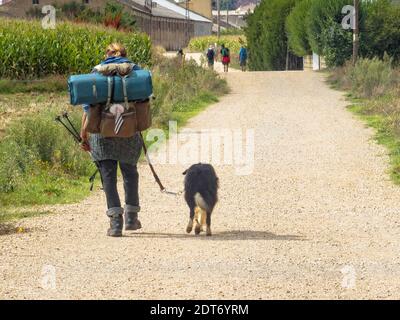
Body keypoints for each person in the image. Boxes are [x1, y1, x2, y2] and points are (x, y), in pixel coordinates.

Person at [80, 43, 143, 237]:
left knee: (108, 175)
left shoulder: (97, 72)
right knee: (130, 172)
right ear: (124, 54)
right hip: (129, 130)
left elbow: (88, 108)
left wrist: (84, 134)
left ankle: (116, 223)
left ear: (106, 55)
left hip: (102, 133)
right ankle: (132, 217)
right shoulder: (135, 71)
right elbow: (144, 102)